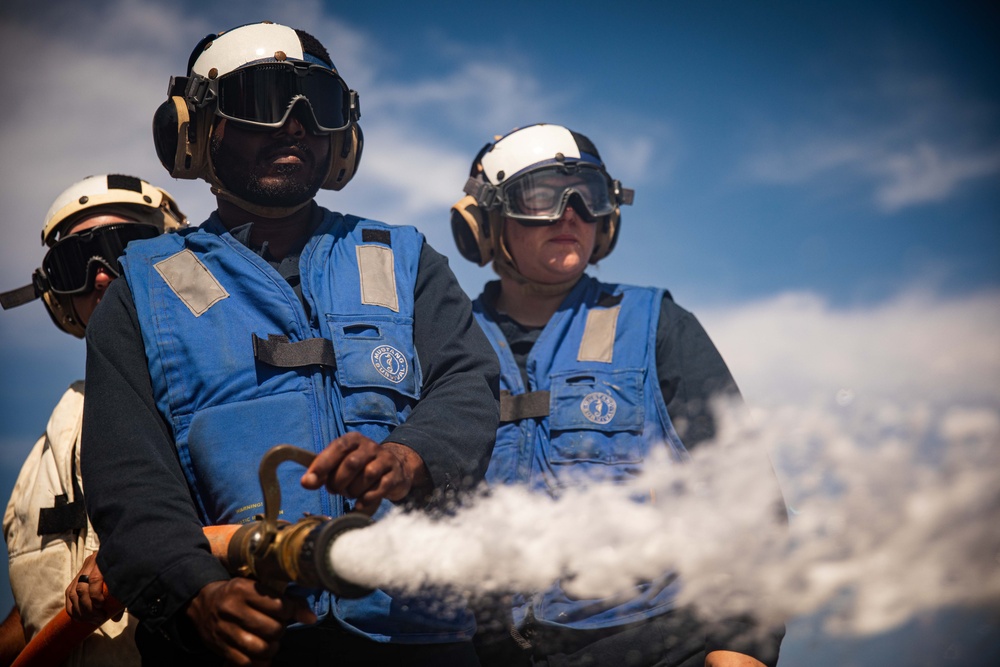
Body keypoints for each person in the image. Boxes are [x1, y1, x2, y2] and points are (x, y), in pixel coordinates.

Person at [80, 21, 499, 667]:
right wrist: (201, 594)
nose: (296, 124)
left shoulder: (405, 258)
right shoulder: (142, 290)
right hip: (240, 642)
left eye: (317, 106)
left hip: (418, 637)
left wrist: (407, 457)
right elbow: (131, 486)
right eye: (264, 99)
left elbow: (467, 384)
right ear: (196, 129)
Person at [450, 124, 785, 667]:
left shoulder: (657, 326)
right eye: (541, 195)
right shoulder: (446, 339)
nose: (570, 214)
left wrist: (742, 653)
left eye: (590, 196)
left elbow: (744, 498)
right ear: (485, 222)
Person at [0, 173, 188, 666]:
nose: (101, 276)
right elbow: (41, 610)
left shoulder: (216, 403)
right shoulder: (50, 446)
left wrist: (134, 556)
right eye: (74, 264)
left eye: (124, 249)